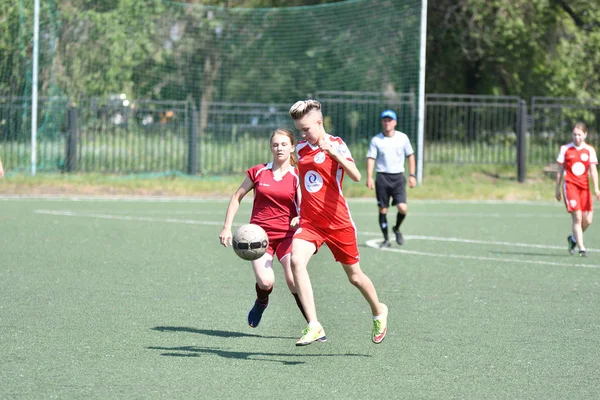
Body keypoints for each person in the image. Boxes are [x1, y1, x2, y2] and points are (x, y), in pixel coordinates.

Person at [288, 99, 388, 346]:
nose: (303, 133)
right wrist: (299, 211)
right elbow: (300, 182)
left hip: (338, 222)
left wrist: (334, 154)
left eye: (306, 128)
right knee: (296, 260)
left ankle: (379, 310)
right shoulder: (300, 149)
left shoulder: (337, 145)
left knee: (354, 277)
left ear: (319, 123)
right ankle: (313, 325)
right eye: (299, 129)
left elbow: (356, 175)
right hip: (311, 222)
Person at [219, 128, 307, 327]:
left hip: (288, 236)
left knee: (294, 281)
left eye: (284, 144)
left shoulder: (297, 175)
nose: (279, 148)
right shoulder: (259, 171)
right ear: (271, 148)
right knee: (266, 282)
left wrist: (300, 217)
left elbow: (303, 205)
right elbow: (236, 197)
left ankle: (312, 325)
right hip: (259, 238)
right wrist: (226, 227)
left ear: (292, 147)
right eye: (275, 145)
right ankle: (261, 301)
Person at [366, 109, 416, 248]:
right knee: (383, 209)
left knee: (403, 208)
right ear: (382, 122)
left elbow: (410, 156)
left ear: (395, 122)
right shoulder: (376, 140)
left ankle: (397, 228)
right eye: (385, 120)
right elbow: (371, 158)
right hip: (382, 177)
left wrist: (412, 175)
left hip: (398, 177)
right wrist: (369, 177)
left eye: (389, 120)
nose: (387, 123)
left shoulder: (402, 138)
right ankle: (386, 239)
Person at [555, 122, 600, 257]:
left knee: (588, 220)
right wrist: (557, 188)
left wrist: (597, 189)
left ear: (585, 135)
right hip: (570, 186)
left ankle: (573, 239)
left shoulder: (590, 150)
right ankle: (582, 248)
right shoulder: (565, 149)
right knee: (578, 219)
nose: (577, 137)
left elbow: (593, 171)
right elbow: (560, 170)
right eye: (574, 134)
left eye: (579, 135)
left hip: (584, 188)